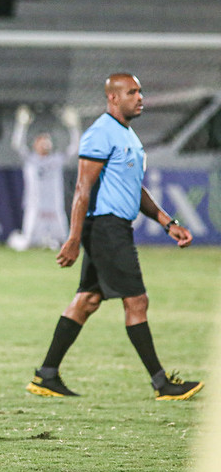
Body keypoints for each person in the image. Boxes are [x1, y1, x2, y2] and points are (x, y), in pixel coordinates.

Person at [25, 73, 204, 401]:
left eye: (140, 91)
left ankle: (46, 375)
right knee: (137, 301)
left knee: (88, 300)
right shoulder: (101, 134)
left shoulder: (128, 136)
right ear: (113, 98)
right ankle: (161, 383)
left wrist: (167, 222)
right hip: (105, 229)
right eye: (132, 92)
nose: (140, 97)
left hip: (113, 228)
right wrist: (73, 237)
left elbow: (133, 189)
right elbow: (82, 188)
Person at [7, 105, 80, 251]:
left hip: (54, 208)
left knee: (64, 242)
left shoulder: (56, 160)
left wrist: (74, 128)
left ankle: (49, 242)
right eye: (42, 140)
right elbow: (17, 145)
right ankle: (15, 239)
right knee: (27, 243)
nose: (45, 143)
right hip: (35, 208)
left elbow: (75, 148)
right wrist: (21, 125)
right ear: (35, 144)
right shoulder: (30, 160)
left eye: (47, 140)